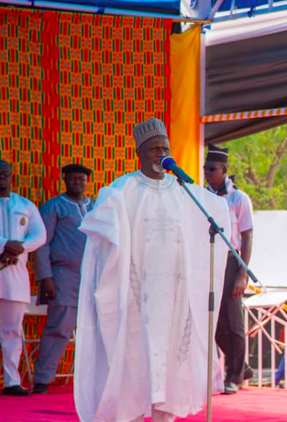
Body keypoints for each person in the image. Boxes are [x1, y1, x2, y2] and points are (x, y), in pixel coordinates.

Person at [74, 118, 231, 422]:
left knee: (171, 365)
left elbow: (216, 212)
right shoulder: (123, 189)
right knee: (136, 363)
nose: (161, 155)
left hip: (174, 297)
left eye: (165, 149)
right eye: (155, 149)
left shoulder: (185, 191)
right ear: (140, 152)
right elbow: (98, 226)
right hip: (137, 299)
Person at [32, 164, 95, 394]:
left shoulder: (95, 206)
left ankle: (90, 381)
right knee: (59, 328)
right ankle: (42, 379)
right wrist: (45, 277)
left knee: (94, 330)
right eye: (73, 178)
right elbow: (41, 243)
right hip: (63, 276)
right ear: (65, 180)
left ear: (88, 181)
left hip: (92, 277)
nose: (77, 182)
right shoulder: (54, 206)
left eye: (82, 178)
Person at [204, 144, 255, 394]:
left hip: (232, 260)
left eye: (212, 168)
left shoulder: (238, 198)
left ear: (224, 169)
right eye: (205, 168)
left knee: (233, 322)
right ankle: (241, 365)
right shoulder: (201, 196)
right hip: (208, 259)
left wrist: (242, 273)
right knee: (212, 321)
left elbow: (247, 236)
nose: (207, 172)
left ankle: (234, 376)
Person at [0, 160, 46, 396]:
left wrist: (20, 247)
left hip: (14, 280)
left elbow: (40, 235)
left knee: (12, 332)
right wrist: (5, 245)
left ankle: (11, 382)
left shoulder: (25, 205)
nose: (2, 177)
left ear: (11, 176)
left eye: (5, 173)